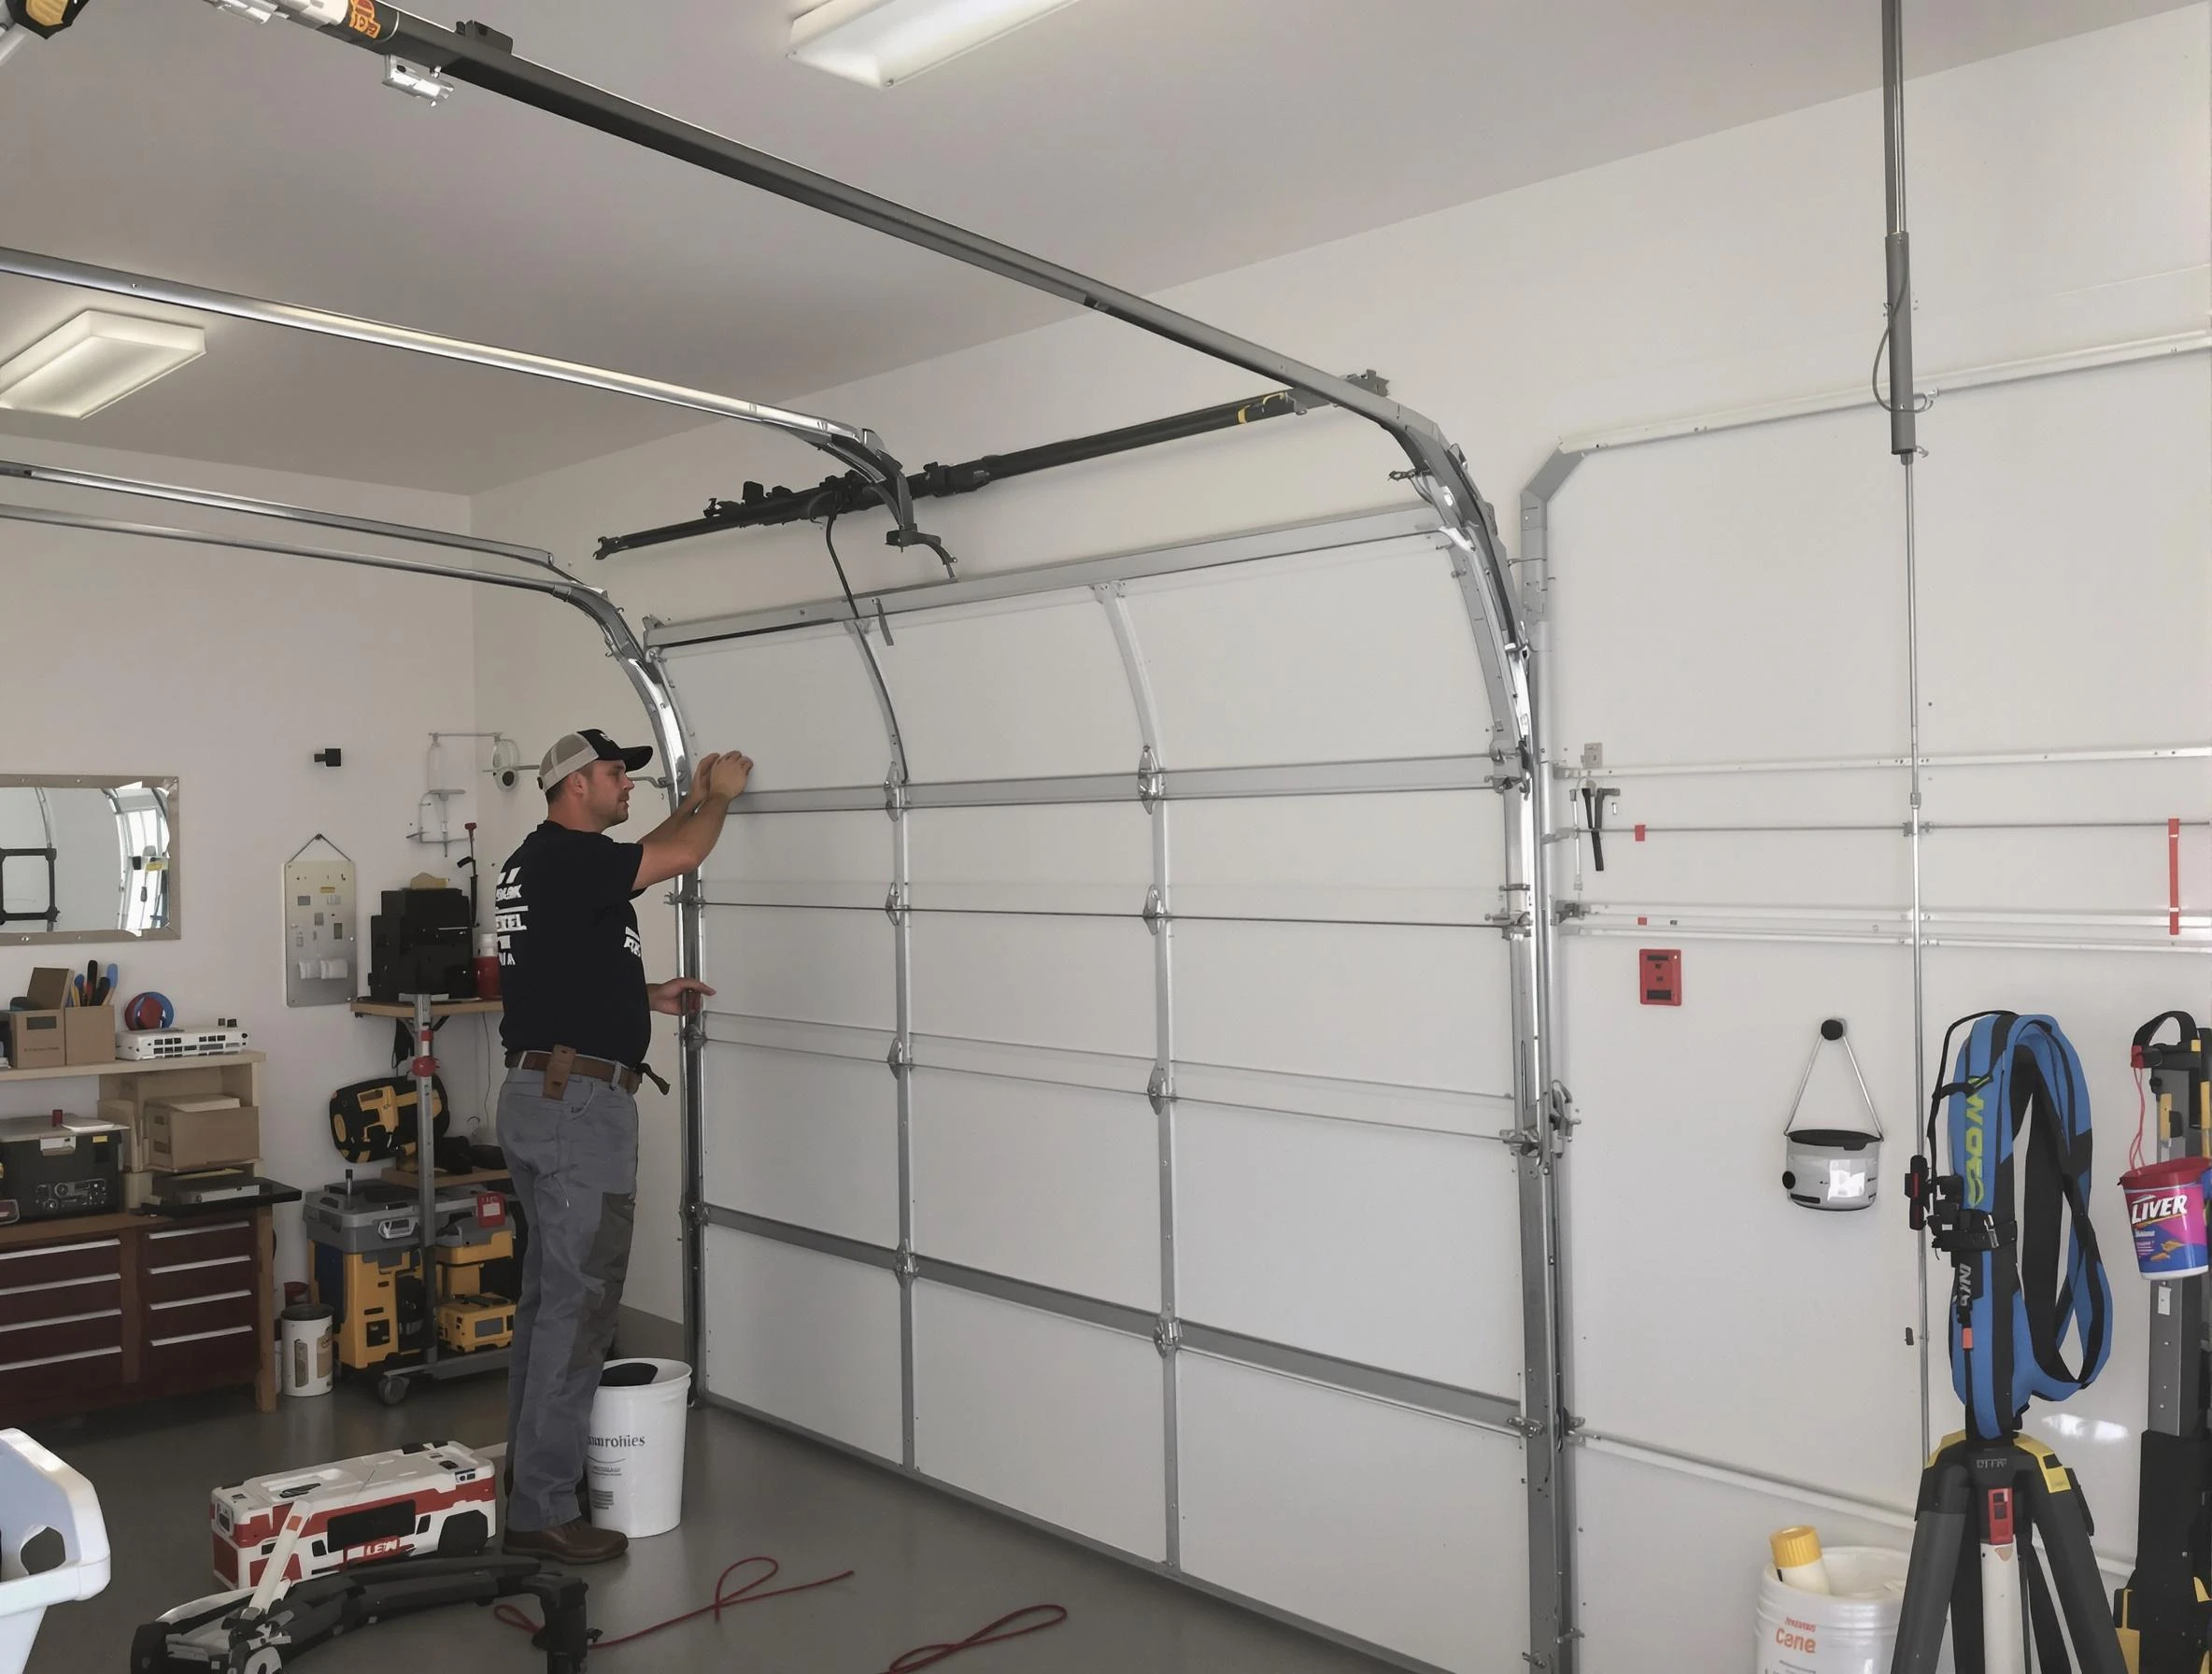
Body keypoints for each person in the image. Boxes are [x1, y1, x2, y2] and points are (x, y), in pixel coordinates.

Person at [493, 727, 752, 1564]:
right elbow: (681, 855)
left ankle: (532, 1486)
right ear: (575, 785)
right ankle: (541, 1509)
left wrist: (645, 995)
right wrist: (721, 798)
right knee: (579, 1311)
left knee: (550, 1304)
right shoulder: (572, 859)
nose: (626, 786)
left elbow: (567, 967)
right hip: (578, 1109)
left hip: (543, 1095)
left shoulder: (542, 863)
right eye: (615, 774)